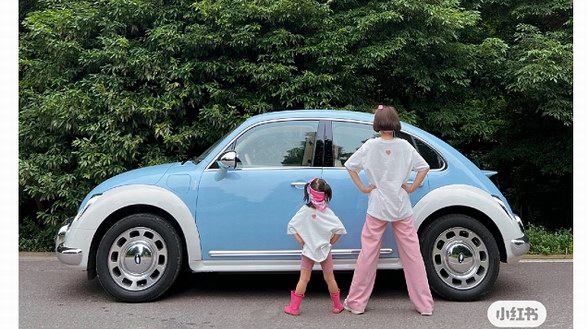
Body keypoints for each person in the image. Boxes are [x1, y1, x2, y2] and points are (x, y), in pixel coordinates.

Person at [342, 104, 434, 316]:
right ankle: (425, 305)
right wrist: (410, 187)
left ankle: (356, 302)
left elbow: (350, 166)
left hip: (377, 205)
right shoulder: (404, 146)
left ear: (377, 123)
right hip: (402, 205)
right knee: (412, 255)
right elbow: (424, 167)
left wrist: (364, 188)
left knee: (368, 255)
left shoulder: (370, 146)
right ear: (395, 122)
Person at [283, 178, 347, 316]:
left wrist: (302, 241)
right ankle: (337, 305)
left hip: (308, 250)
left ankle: (294, 308)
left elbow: (292, 226)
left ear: (308, 193)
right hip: (324, 249)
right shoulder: (328, 213)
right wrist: (330, 242)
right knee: (330, 278)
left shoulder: (304, 211)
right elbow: (340, 230)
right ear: (325, 194)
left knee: (304, 279)